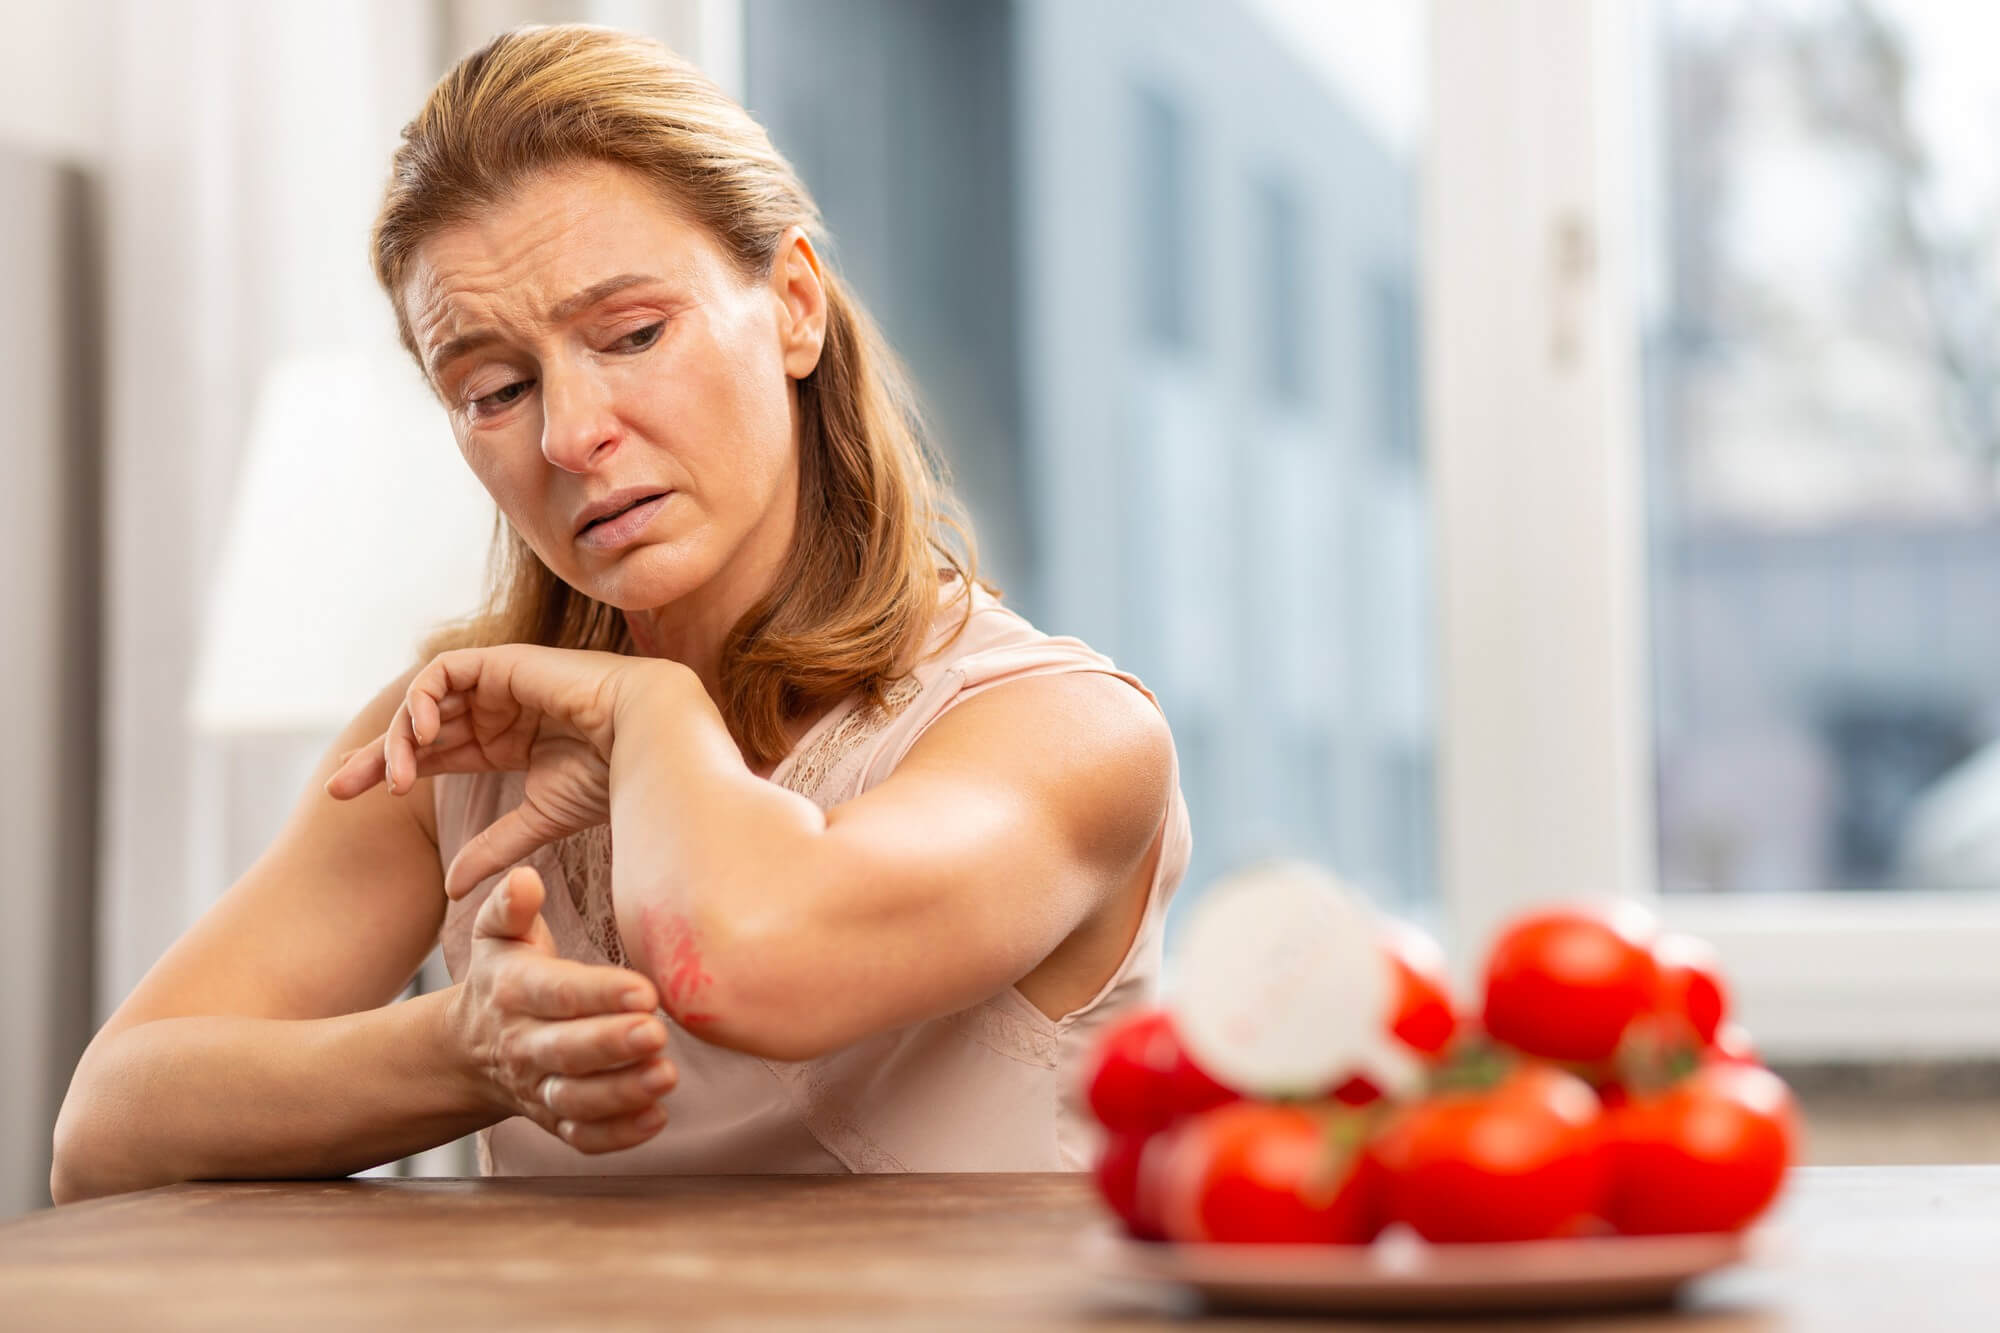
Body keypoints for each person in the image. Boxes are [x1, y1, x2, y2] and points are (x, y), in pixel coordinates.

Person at [50, 23, 1188, 1201]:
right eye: (493, 389)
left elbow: (748, 958)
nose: (567, 433)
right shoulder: (458, 744)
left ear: (794, 304)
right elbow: (108, 1125)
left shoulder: (1066, 729)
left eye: (634, 334)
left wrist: (651, 708)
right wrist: (463, 1046)